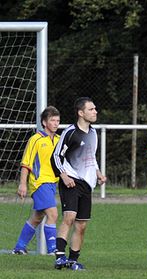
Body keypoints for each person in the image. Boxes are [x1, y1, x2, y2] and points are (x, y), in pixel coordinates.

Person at [50, 97, 107, 270]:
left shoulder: (93, 133)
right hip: (71, 181)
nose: (95, 112)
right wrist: (63, 176)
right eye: (91, 109)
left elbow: (90, 156)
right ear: (81, 113)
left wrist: (97, 173)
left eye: (95, 109)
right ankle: (60, 257)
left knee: (81, 224)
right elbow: (55, 156)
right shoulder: (70, 132)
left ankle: (73, 260)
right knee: (69, 217)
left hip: (86, 185)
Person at [12, 106, 61, 255]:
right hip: (39, 183)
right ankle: (53, 250)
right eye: (52, 120)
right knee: (53, 214)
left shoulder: (59, 140)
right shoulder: (35, 139)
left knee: (37, 217)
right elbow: (26, 163)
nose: (55, 123)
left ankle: (19, 247)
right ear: (44, 122)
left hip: (53, 183)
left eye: (58, 120)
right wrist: (22, 183)